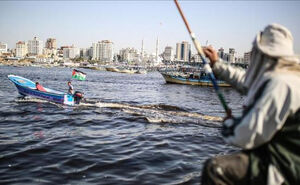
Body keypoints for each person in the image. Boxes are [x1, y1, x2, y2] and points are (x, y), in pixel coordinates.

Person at [201, 23, 300, 185]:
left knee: (214, 168)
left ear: (264, 54)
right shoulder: (287, 77)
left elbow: (246, 134)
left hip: (283, 167)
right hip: (284, 156)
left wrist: (229, 123)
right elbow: (247, 82)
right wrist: (217, 64)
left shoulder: (280, 84)